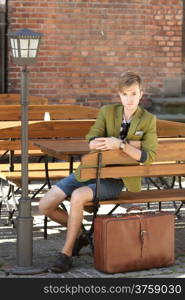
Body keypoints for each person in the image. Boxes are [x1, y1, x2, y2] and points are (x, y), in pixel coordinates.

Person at [39, 71, 158, 273]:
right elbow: (93, 137)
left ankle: (66, 254)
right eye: (125, 94)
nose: (129, 99)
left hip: (116, 179)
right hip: (88, 170)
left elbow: (148, 156)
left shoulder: (147, 119)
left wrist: (119, 144)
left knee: (77, 196)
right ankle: (82, 235)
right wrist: (101, 143)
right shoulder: (107, 112)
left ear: (141, 93)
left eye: (133, 93)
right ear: (119, 95)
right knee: (45, 205)